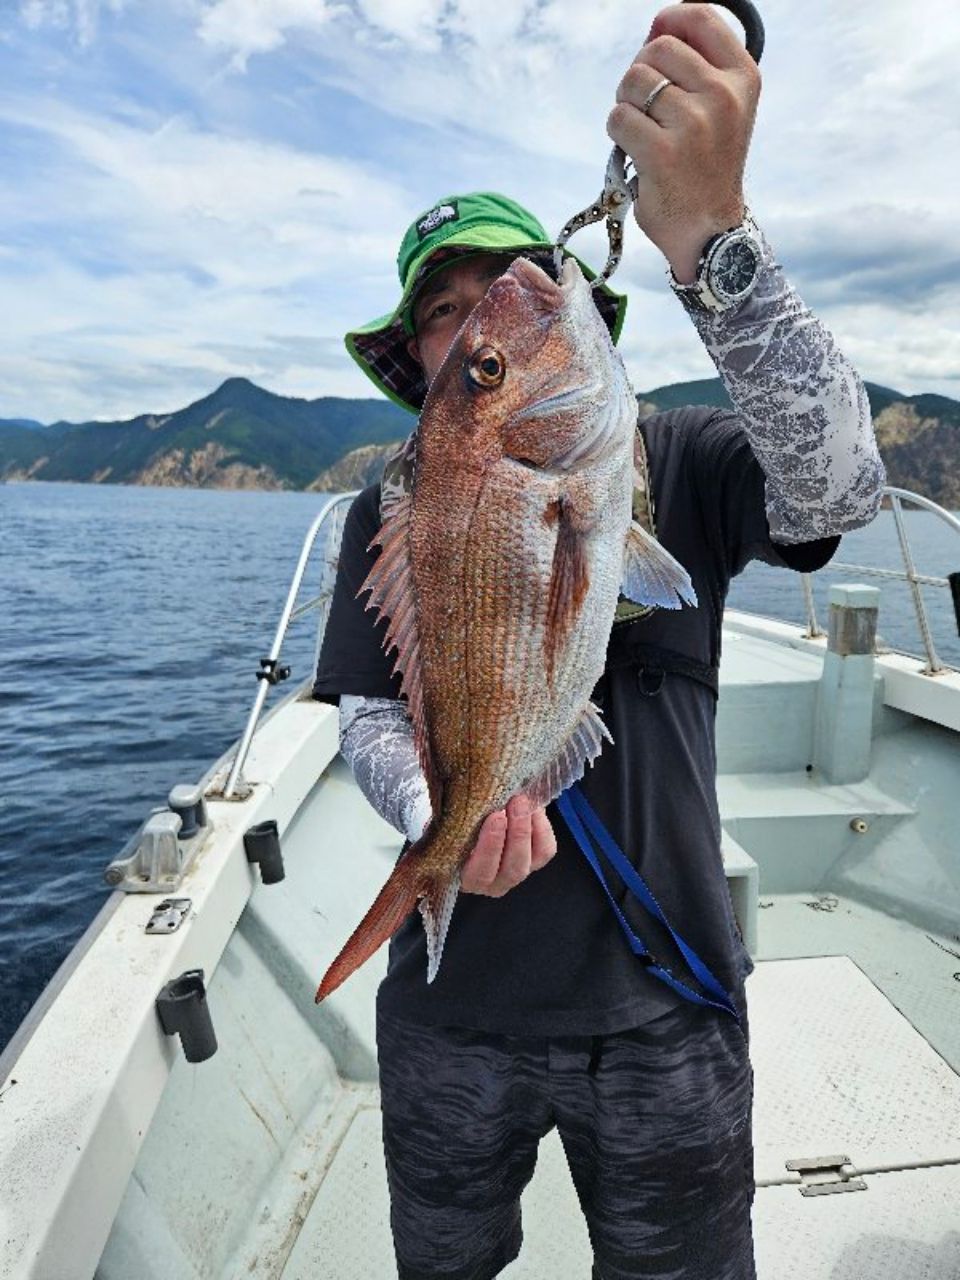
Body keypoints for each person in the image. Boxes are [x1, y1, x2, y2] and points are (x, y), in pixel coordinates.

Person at [313, 6, 885, 1278]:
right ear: (415, 361)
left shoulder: (679, 456)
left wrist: (715, 244)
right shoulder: (383, 509)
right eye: (444, 315)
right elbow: (364, 716)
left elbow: (841, 488)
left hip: (663, 1003)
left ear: (588, 319)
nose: (478, 322)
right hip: (452, 1012)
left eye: (507, 289)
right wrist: (438, 816)